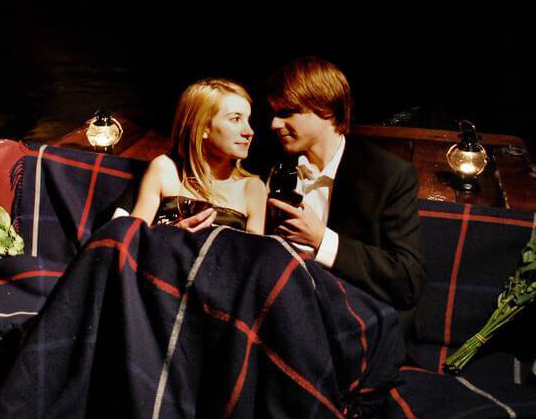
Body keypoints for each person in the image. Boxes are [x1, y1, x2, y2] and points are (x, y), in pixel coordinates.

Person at [265, 56, 425, 339]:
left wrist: (321, 240)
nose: (274, 124)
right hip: (284, 312)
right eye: (275, 113)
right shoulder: (273, 168)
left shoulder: (386, 174)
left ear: (326, 109)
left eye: (287, 113)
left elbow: (407, 280)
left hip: (356, 322)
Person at [130, 78, 267, 235]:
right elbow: (131, 237)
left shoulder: (253, 188)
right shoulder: (165, 170)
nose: (249, 131)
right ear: (203, 127)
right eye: (235, 119)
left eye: (248, 120)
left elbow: (254, 250)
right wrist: (175, 233)